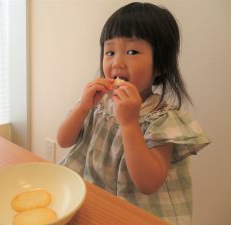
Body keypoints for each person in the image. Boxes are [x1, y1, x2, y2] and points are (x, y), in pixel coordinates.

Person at [57, 2, 210, 225]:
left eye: (131, 51)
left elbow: (148, 183)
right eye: (109, 52)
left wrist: (130, 124)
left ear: (160, 66)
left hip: (136, 212)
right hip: (93, 198)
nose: (117, 61)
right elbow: (64, 140)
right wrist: (82, 108)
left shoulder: (162, 118)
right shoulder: (99, 102)